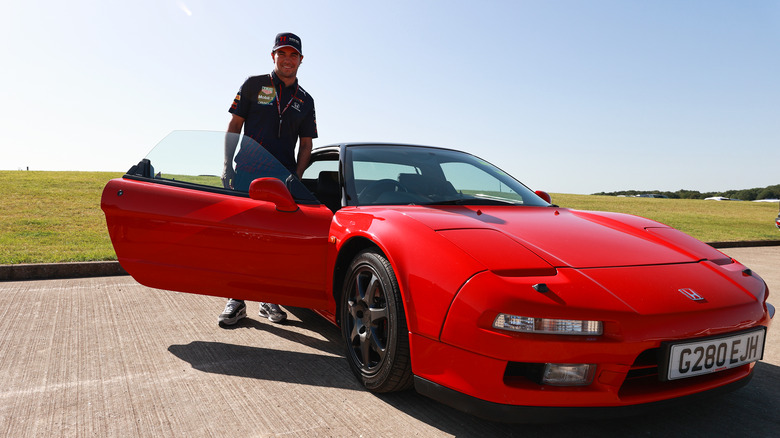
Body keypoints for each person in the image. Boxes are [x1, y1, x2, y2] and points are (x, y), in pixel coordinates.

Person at [218, 32, 318, 326]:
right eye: (282, 53)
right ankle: (236, 299)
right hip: (246, 174)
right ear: (273, 56)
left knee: (273, 241)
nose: (287, 60)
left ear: (301, 60)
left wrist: (296, 177)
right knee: (240, 237)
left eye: (293, 55)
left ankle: (268, 298)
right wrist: (227, 165)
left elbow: (306, 144)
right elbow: (235, 125)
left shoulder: (305, 100)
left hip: (280, 182)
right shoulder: (253, 84)